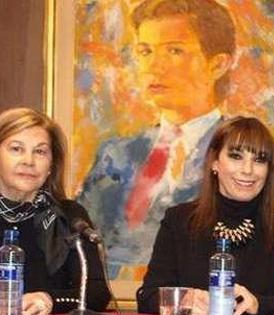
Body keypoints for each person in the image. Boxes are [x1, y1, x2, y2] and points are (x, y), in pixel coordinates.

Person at [78, 0, 236, 278]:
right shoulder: (116, 153)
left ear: (218, 64)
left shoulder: (235, 154)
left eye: (174, 51)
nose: (154, 66)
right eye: (145, 51)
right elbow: (83, 240)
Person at [136, 116, 274, 315]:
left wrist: (258, 303)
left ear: (269, 170)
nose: (248, 170)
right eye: (236, 156)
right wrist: (183, 299)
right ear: (214, 163)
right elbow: (147, 297)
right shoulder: (179, 221)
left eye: (259, 160)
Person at [0, 108, 110, 315]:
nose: (29, 161)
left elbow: (97, 293)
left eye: (40, 152)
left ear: (51, 165)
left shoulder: (69, 216)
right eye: (16, 149)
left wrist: (50, 299)